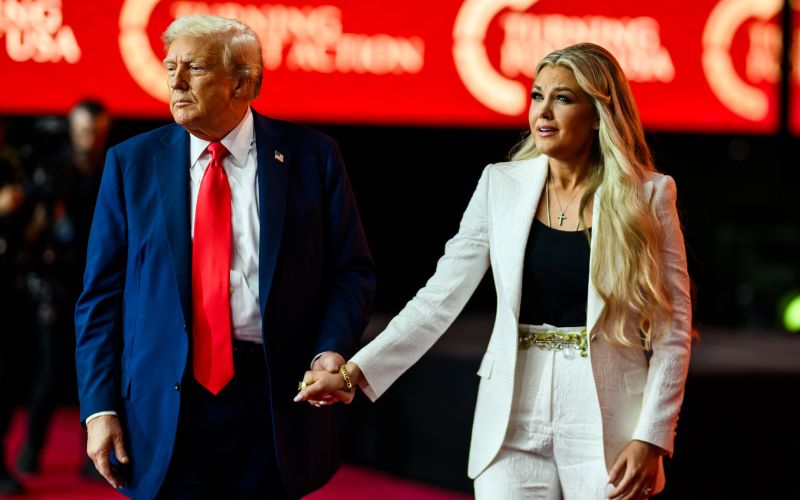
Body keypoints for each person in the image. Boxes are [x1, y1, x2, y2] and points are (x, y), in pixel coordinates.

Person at [296, 43, 692, 500]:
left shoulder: (649, 196)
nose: (543, 111)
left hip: (608, 422)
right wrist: (355, 373)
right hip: (511, 417)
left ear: (599, 113)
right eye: (536, 96)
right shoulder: (500, 184)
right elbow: (438, 299)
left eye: (563, 99)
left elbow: (673, 329)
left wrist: (652, 437)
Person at [75, 14, 375, 499]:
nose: (175, 81)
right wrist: (99, 408)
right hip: (163, 405)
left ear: (243, 81)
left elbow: (351, 273)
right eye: (170, 66)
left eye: (193, 67)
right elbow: (99, 299)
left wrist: (330, 349)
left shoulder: (312, 157)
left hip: (274, 400)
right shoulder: (130, 164)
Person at [16, 100, 111, 475]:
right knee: (52, 370)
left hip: (99, 282)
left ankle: (93, 457)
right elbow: (34, 231)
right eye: (85, 131)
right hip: (56, 287)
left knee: (98, 368)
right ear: (73, 130)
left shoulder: (112, 168)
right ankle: (32, 448)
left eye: (97, 132)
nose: (91, 139)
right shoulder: (53, 172)